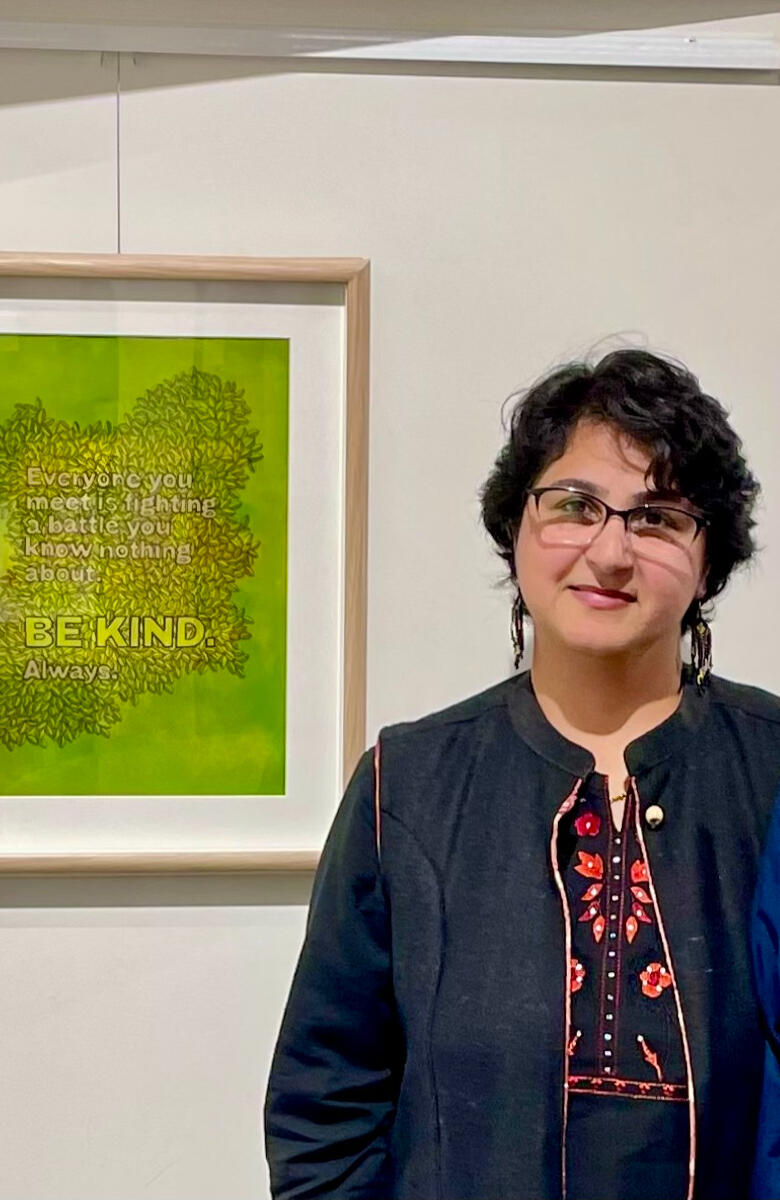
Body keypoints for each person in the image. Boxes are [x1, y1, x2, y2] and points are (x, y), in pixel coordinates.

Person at [265, 348, 780, 1200]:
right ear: (516, 529)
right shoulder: (408, 784)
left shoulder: (769, 770)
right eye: (575, 505)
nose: (610, 551)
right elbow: (325, 1107)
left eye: (657, 518)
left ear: (708, 561)